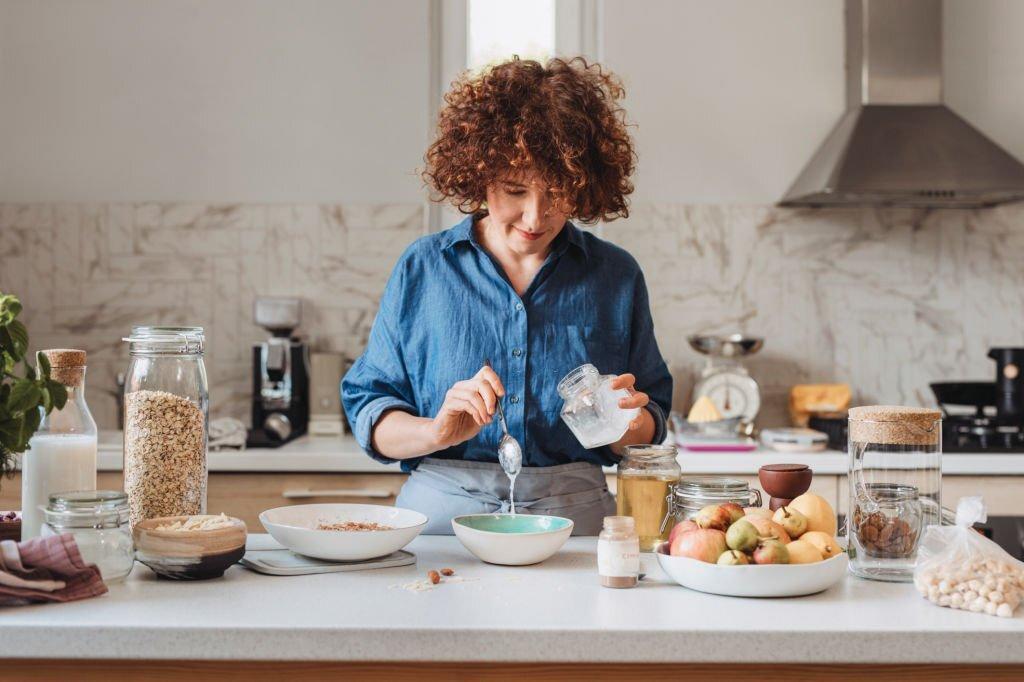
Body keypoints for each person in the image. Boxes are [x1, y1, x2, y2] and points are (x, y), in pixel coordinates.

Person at [342, 57, 672, 535]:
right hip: (441, 513)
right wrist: (434, 431)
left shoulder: (615, 275)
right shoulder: (424, 268)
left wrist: (630, 424)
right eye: (515, 190)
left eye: (557, 192)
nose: (535, 217)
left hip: (575, 513)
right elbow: (371, 409)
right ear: (479, 176)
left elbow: (651, 423)